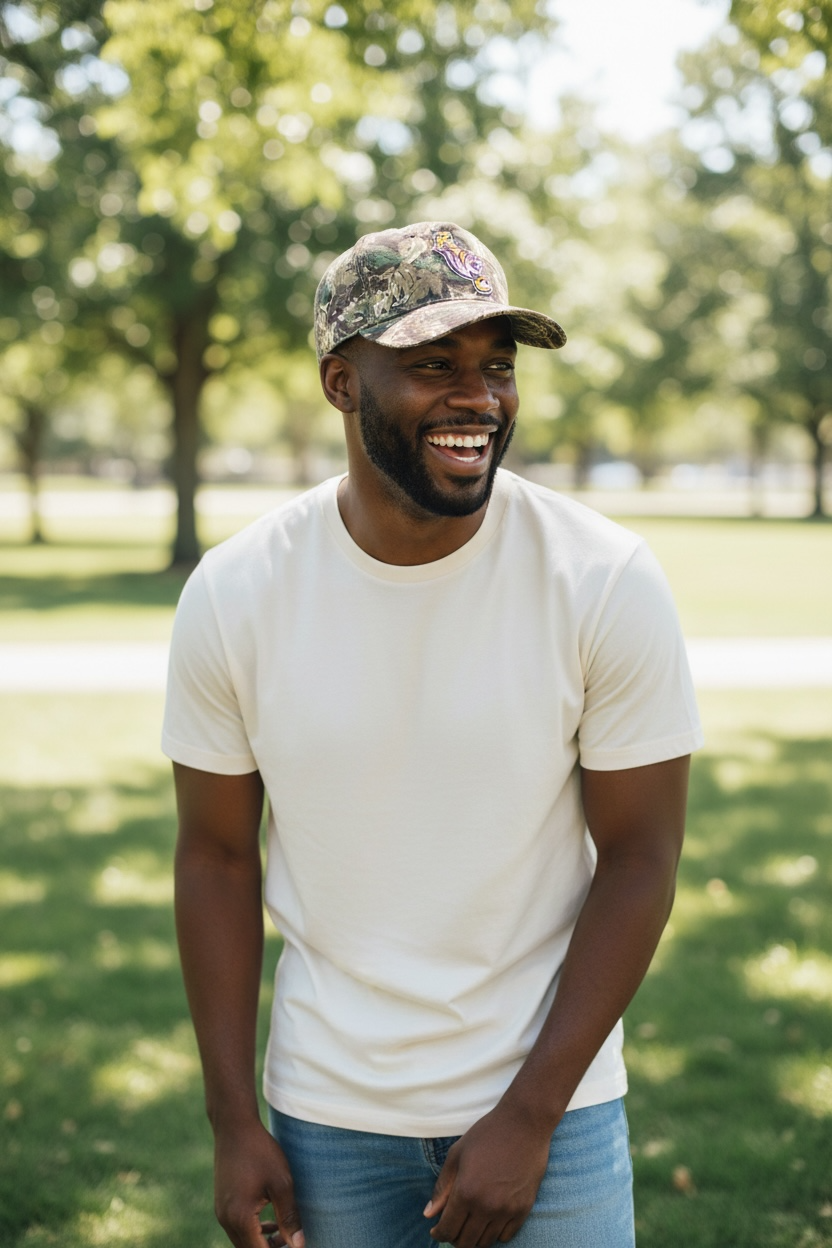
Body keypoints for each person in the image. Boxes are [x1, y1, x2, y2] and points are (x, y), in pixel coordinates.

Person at [163, 221, 704, 1248]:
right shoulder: (236, 593)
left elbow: (641, 856)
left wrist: (533, 1112)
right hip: (328, 1115)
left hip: (558, 1107)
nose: (480, 398)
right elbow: (217, 856)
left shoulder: (601, 577)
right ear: (340, 384)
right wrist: (233, 1119)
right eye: (432, 366)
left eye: (496, 367)